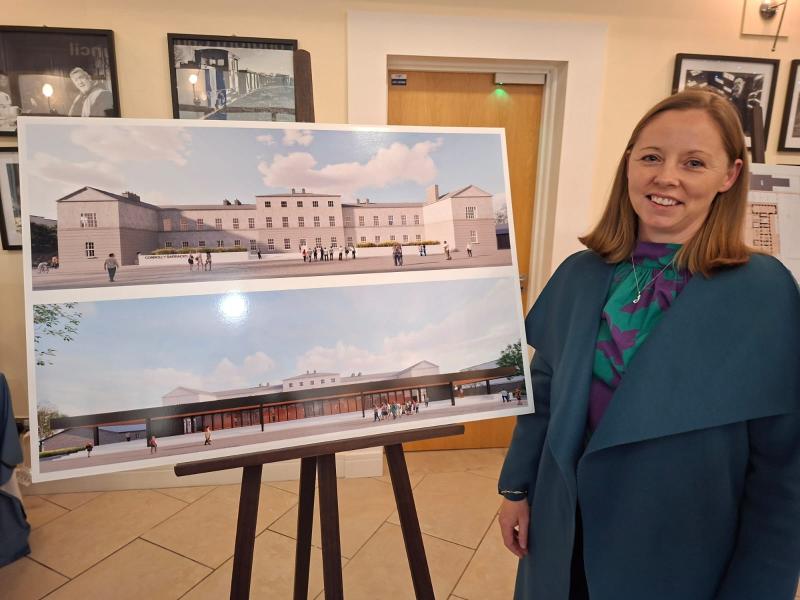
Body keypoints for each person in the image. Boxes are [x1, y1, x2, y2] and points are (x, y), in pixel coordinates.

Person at [498, 89, 800, 600]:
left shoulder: (764, 291)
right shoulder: (581, 274)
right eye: (652, 157)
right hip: (563, 531)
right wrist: (515, 488)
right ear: (629, 164)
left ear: (729, 175)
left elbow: (783, 468)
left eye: (694, 163)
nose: (667, 177)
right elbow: (543, 394)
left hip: (678, 551)